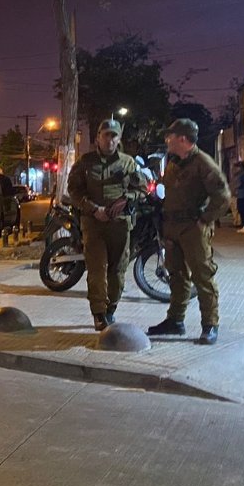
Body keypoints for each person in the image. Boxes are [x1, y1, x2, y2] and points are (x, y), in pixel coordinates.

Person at [147, 118, 231, 345]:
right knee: (176, 276)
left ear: (182, 139)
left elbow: (222, 197)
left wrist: (204, 220)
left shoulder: (203, 163)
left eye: (170, 136)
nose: (167, 140)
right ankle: (175, 321)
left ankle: (210, 325)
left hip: (193, 228)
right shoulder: (175, 163)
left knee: (203, 277)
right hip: (172, 228)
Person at [67, 119, 147, 331]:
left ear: (118, 139)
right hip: (93, 224)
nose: (110, 139)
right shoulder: (85, 162)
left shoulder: (128, 163)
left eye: (114, 136)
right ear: (97, 138)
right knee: (96, 269)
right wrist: (94, 209)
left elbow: (142, 189)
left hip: (120, 224)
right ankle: (99, 313)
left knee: (118, 270)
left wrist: (126, 198)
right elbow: (74, 191)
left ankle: (111, 308)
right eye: (106, 135)